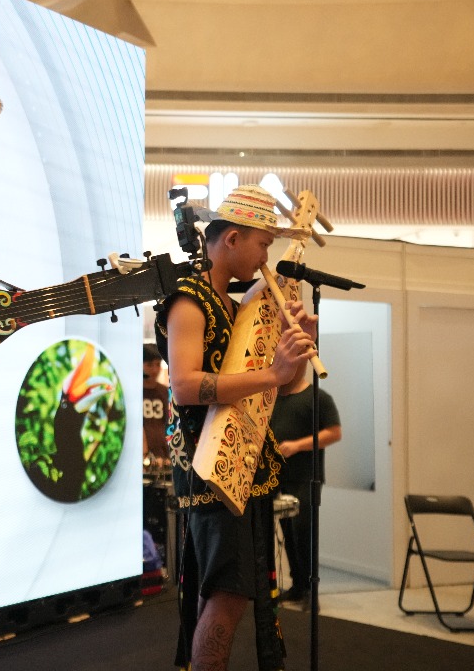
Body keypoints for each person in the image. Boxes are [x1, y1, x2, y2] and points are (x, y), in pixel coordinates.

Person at [154, 185, 318, 671]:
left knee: (234, 592)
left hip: (243, 463)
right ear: (231, 239)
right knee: (228, 593)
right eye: (262, 244)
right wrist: (272, 373)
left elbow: (281, 390)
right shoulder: (189, 300)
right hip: (209, 469)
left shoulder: (233, 307)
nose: (266, 256)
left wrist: (295, 353)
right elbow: (185, 386)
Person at [271, 371, 342, 607]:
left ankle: (312, 591)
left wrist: (297, 446)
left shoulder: (318, 398)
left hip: (305, 477)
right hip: (276, 477)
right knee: (287, 532)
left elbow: (334, 433)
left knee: (303, 533)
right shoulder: (272, 398)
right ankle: (298, 586)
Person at [142, 342, 171, 467]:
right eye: (149, 365)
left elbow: (170, 424)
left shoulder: (165, 392)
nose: (154, 370)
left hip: (163, 455)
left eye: (158, 365)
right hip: (142, 455)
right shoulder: (134, 393)